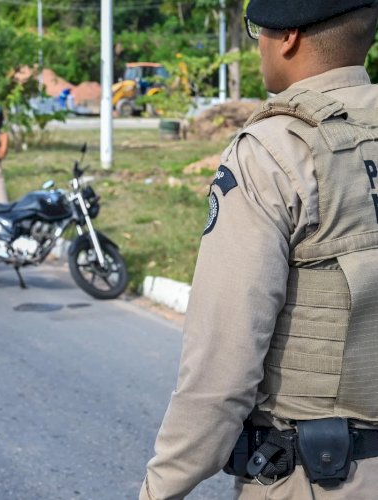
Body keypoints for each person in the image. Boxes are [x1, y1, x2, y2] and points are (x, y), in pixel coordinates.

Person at [140, 2, 378, 499]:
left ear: (287, 37)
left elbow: (221, 370)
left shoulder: (274, 149)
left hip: (318, 477)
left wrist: (160, 489)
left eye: (256, 31)